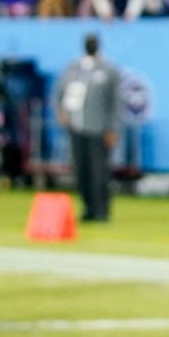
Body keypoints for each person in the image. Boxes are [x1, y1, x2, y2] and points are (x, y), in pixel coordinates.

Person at [53, 32, 122, 222]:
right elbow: (59, 93)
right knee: (81, 170)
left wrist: (113, 128)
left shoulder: (108, 70)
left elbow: (116, 103)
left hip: (99, 128)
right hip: (76, 126)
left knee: (99, 172)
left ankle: (102, 210)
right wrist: (61, 111)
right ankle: (88, 207)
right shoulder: (74, 68)